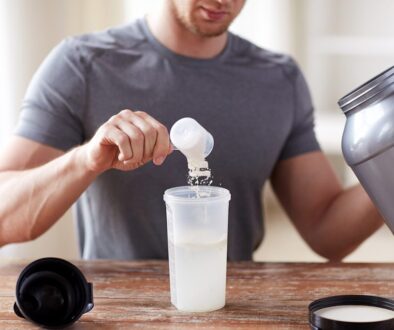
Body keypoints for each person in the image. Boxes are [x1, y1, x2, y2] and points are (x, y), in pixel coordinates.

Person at [0, 0, 383, 261]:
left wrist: (390, 158)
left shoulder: (278, 79)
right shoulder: (83, 66)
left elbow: (327, 231)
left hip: (234, 309)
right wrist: (86, 159)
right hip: (117, 310)